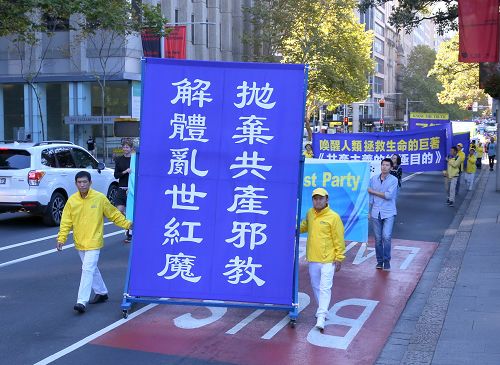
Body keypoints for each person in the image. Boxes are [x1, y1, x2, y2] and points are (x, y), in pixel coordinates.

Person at [56, 171, 132, 314]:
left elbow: (114, 215)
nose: (82, 184)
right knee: (91, 268)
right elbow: (66, 221)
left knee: (87, 269)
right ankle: (102, 292)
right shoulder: (72, 201)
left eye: (85, 182)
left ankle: (81, 301)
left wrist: (128, 225)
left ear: (90, 183)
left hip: (94, 240)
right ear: (76, 183)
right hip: (80, 241)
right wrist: (61, 238)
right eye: (79, 182)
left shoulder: (99, 198)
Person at [300, 188, 345, 331]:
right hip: (313, 258)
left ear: (327, 200)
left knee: (325, 287)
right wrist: (289, 227)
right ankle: (323, 310)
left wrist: (339, 257)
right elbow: (304, 226)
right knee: (315, 286)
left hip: (328, 260)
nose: (317, 201)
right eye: (315, 198)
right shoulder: (310, 214)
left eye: (320, 198)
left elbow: (339, 239)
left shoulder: (334, 217)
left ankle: (320, 317)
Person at [368, 158, 398, 271]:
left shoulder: (394, 180)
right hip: (376, 211)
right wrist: (368, 211)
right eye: (383, 165)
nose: (384, 167)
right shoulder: (373, 179)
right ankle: (379, 261)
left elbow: (389, 195)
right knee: (378, 238)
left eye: (387, 165)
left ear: (391, 167)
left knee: (386, 236)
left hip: (389, 212)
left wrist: (373, 191)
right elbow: (370, 197)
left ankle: (387, 260)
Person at [114, 138, 134, 243]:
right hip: (121, 188)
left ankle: (129, 231)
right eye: (124, 147)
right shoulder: (119, 160)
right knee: (119, 211)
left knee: (131, 211)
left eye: (127, 147)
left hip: (131, 189)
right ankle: (128, 225)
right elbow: (116, 175)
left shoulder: (134, 160)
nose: (125, 149)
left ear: (131, 148)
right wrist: (125, 172)